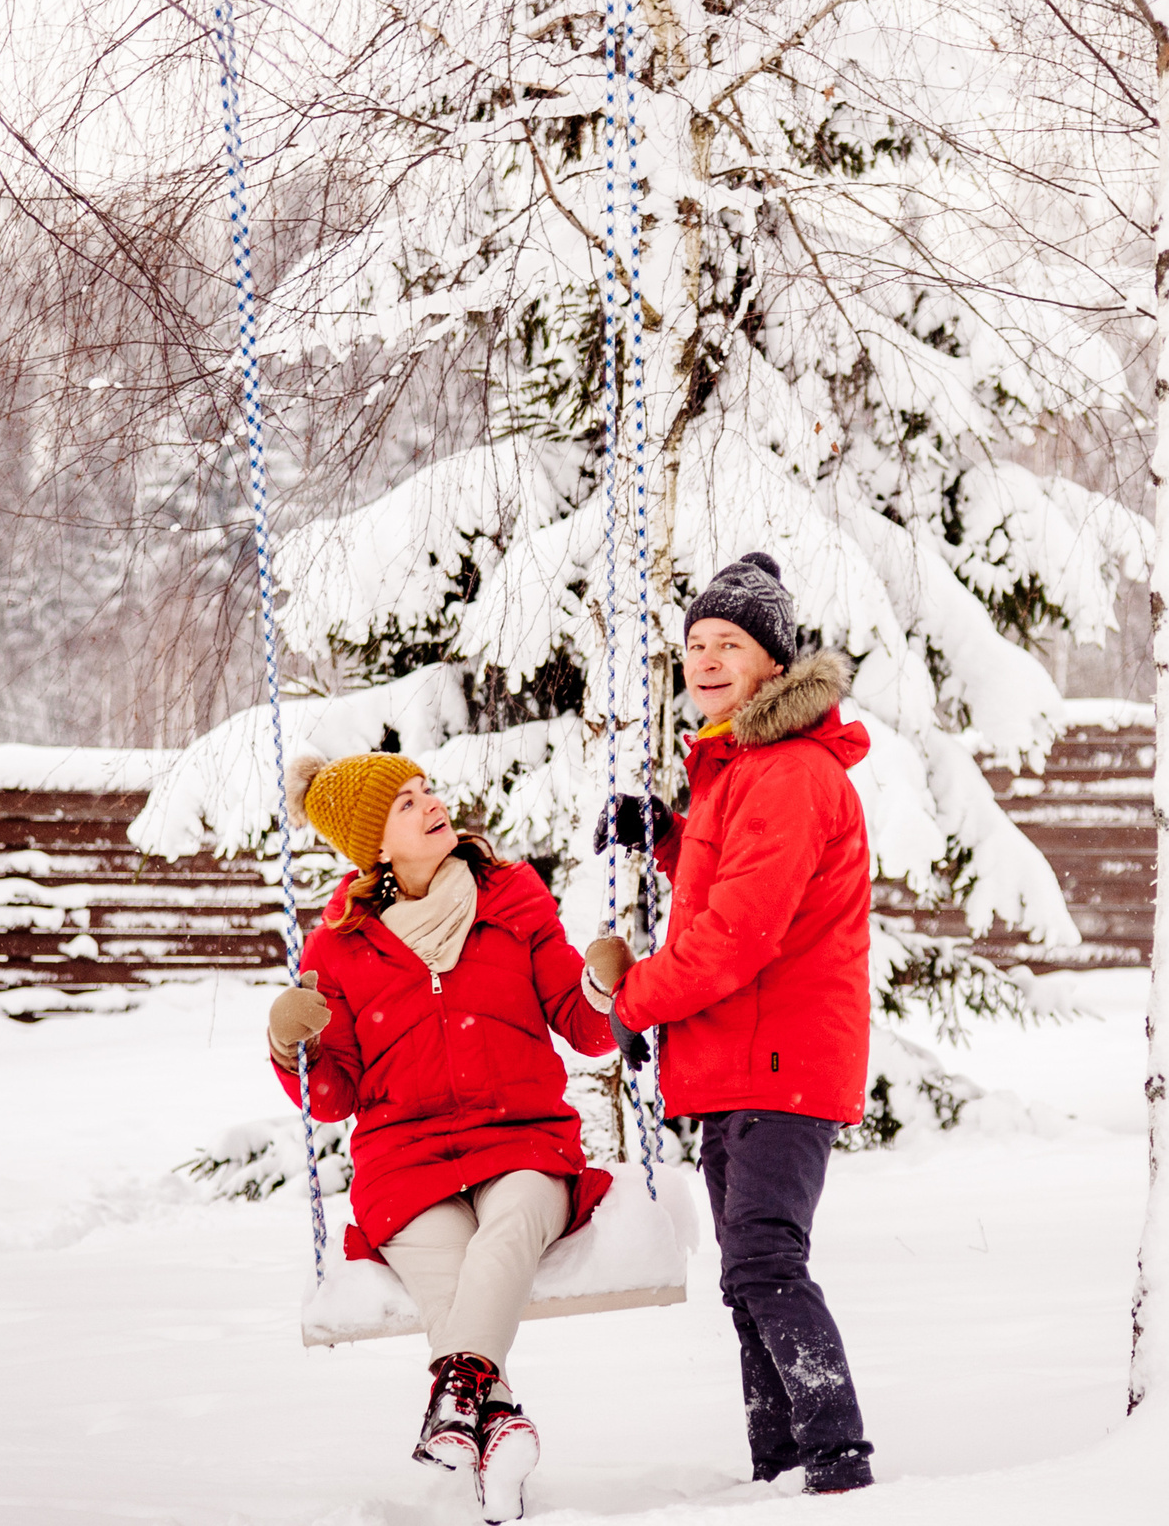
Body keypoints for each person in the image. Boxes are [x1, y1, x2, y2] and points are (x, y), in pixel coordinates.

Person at [585, 550, 877, 1495]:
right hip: (744, 1058)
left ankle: (836, 1459)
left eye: (731, 644)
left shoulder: (787, 771)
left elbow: (738, 934)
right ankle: (778, 1466)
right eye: (696, 645)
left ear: (773, 663)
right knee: (747, 1272)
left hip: (778, 1056)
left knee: (762, 1260)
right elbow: (723, 883)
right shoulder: (738, 768)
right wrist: (664, 837)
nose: (707, 661)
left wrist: (634, 1001)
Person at [266, 752, 616, 1523]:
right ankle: (500, 1425)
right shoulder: (339, 946)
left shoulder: (511, 896)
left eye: (427, 790)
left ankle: (457, 1397)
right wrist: (298, 1046)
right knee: (452, 1272)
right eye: (405, 803)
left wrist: (600, 984)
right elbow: (334, 1098)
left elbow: (585, 1025)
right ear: (376, 848)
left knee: (513, 1222)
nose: (431, 804)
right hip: (407, 1164)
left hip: (523, 1141)